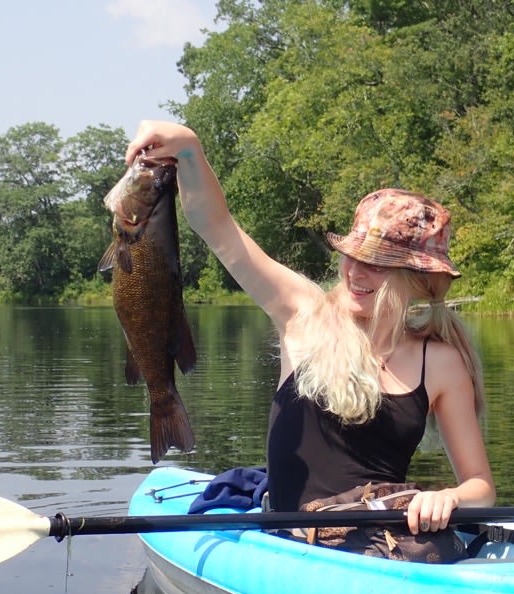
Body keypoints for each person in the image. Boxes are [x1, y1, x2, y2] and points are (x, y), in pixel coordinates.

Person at [124, 121, 495, 555]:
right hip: (294, 539)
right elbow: (216, 225)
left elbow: (481, 487)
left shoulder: (441, 361)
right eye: (351, 257)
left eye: (376, 264)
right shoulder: (304, 313)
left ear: (417, 280)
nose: (356, 273)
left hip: (381, 538)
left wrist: (448, 496)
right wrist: (188, 148)